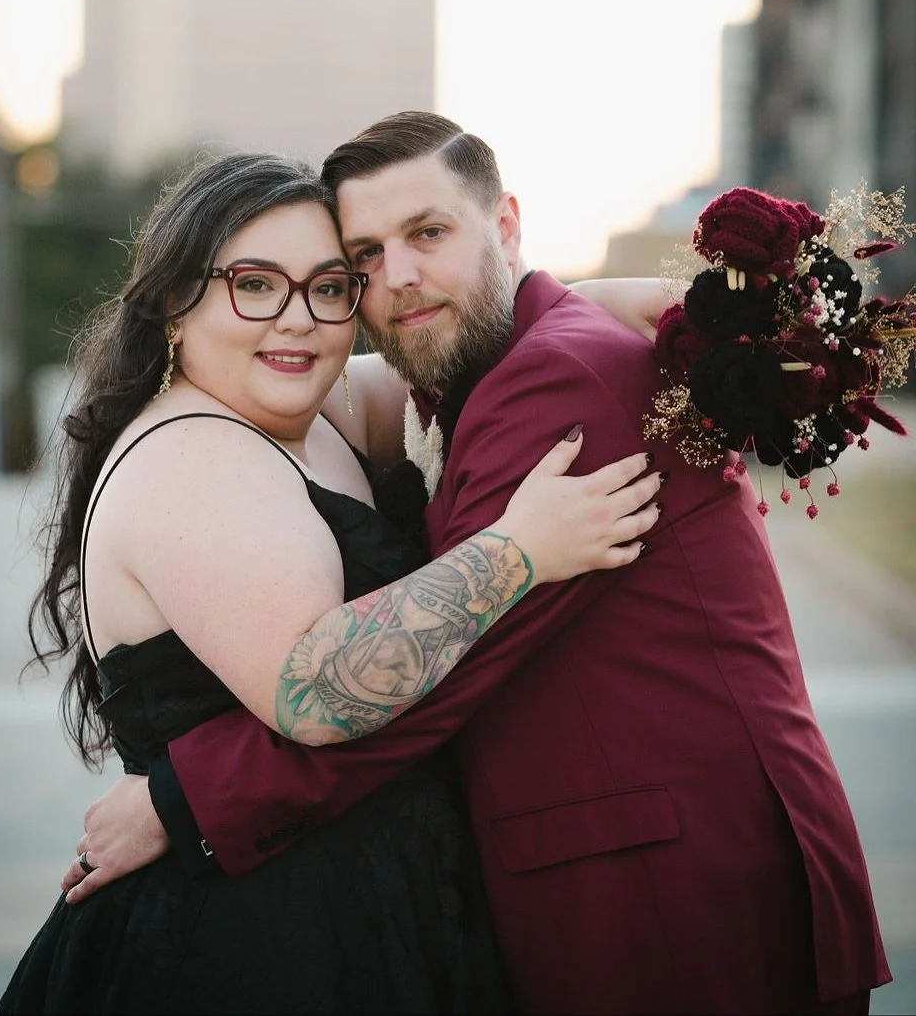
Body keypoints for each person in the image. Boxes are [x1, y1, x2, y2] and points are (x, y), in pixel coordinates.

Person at [64, 113, 892, 1016]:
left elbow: (454, 665)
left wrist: (189, 800)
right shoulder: (265, 424)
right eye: (365, 258)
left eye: (426, 234)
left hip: (682, 898)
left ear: (505, 227)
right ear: (175, 302)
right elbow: (406, 653)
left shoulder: (551, 381)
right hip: (325, 924)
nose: (391, 279)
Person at [0, 149, 662, 1015]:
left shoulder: (319, 411)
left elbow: (475, 344)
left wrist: (634, 303)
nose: (297, 320)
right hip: (255, 939)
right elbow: (314, 694)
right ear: (174, 304)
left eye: (328, 287)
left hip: (378, 899)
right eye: (255, 285)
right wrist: (519, 550)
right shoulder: (190, 456)